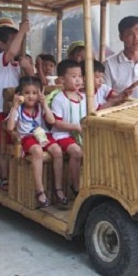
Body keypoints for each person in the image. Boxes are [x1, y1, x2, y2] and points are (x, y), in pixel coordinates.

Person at [6, 76, 64, 208]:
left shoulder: (40, 107)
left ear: (40, 94)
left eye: (35, 93)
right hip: (27, 137)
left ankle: (58, 189)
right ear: (20, 94)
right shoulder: (18, 110)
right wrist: (14, 107)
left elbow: (51, 121)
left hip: (43, 135)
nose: (31, 96)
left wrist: (44, 105)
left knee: (57, 151)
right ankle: (40, 190)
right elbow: (9, 128)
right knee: (37, 151)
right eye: (27, 93)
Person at [0, 19, 34, 190]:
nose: (17, 45)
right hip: (2, 109)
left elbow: (33, 82)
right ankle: (4, 177)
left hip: (20, 111)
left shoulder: (19, 64)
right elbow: (11, 53)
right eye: (13, 40)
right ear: (2, 44)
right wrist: (22, 31)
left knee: (20, 143)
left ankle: (19, 177)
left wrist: (29, 67)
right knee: (4, 144)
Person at [50, 60, 86, 196]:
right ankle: (76, 186)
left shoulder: (84, 98)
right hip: (63, 135)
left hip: (80, 134)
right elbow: (56, 123)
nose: (78, 80)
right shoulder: (59, 99)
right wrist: (75, 127)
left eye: (80, 76)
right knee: (77, 152)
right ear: (62, 79)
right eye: (73, 76)